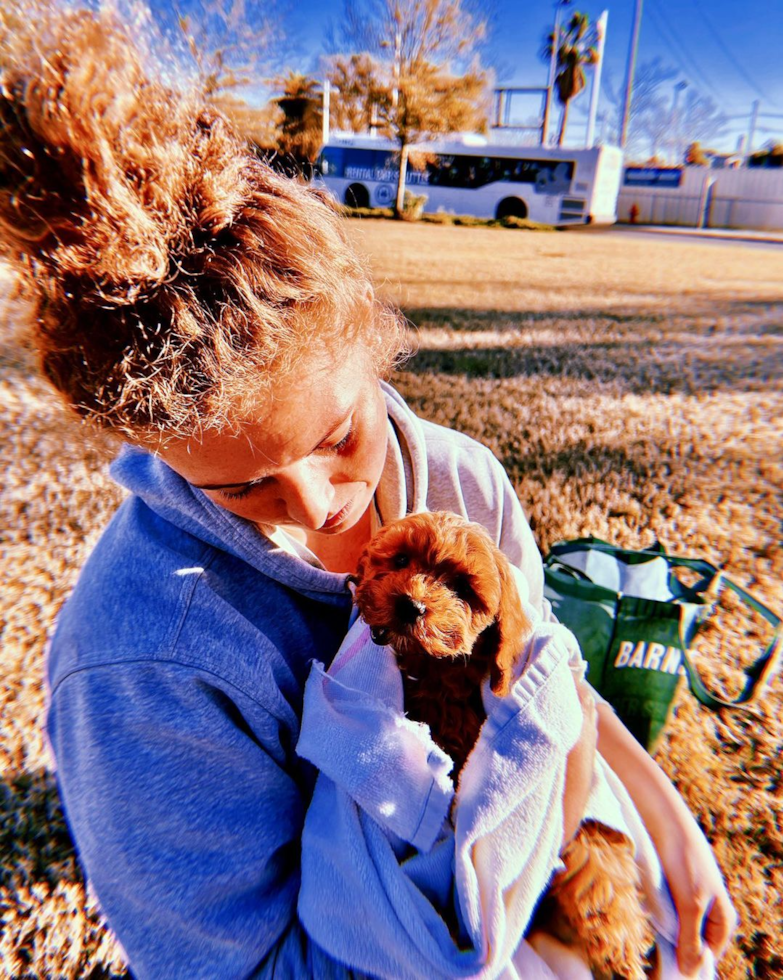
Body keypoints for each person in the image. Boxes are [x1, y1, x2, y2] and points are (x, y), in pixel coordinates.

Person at [1, 8, 735, 979]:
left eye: (338, 434)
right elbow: (239, 967)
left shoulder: (459, 476)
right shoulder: (141, 656)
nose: (314, 503)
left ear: (374, 343)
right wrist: (516, 917)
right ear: (147, 445)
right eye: (243, 485)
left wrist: (659, 807)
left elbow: (541, 666)